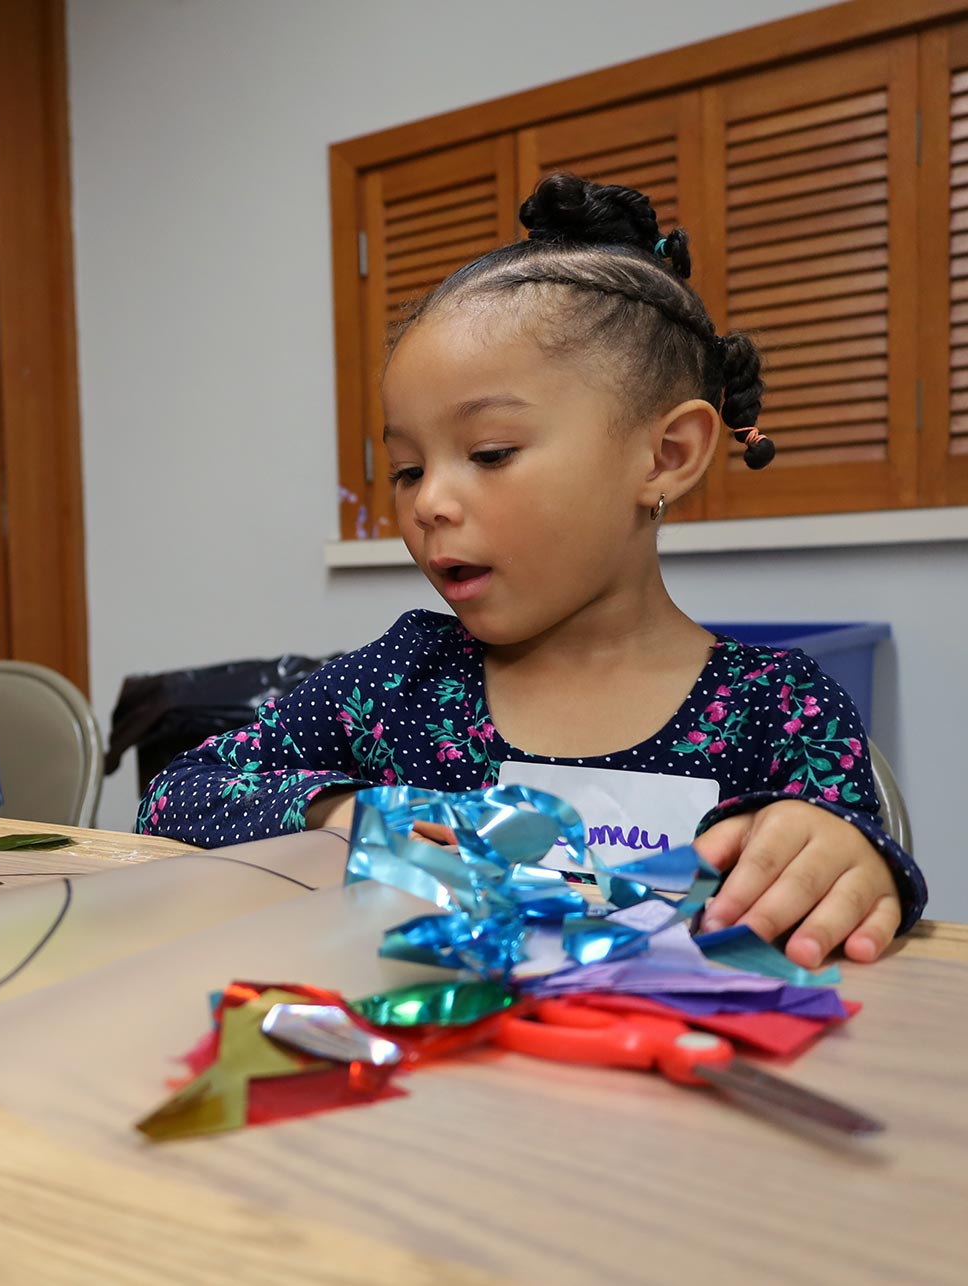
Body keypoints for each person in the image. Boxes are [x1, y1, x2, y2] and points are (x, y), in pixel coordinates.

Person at [138, 174, 924, 969]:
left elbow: (858, 904)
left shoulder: (779, 709)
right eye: (408, 469)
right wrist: (345, 811)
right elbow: (177, 794)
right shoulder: (397, 682)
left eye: (490, 454)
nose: (430, 502)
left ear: (666, 455)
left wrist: (850, 861)